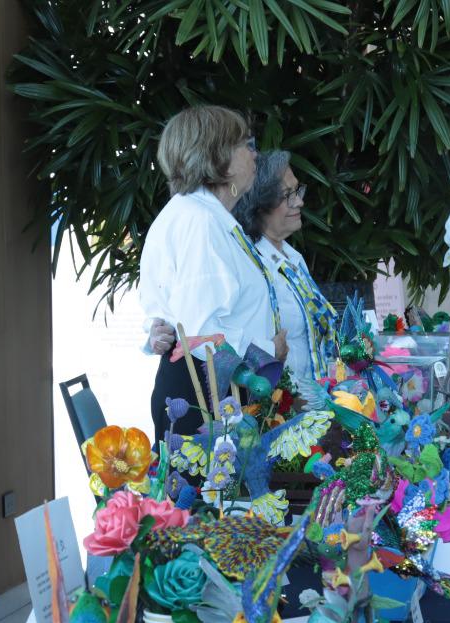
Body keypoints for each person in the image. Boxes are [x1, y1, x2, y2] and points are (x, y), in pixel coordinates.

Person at [138, 106, 287, 440]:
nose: (255, 154)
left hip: (217, 388)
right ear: (220, 158)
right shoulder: (200, 221)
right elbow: (201, 331)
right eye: (246, 145)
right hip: (204, 396)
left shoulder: (204, 215)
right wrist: (268, 350)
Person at [234, 150, 336, 383]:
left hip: (313, 395)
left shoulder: (293, 257)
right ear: (260, 204)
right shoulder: (252, 265)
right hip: (279, 398)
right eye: (287, 195)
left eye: (297, 191)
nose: (299, 201)